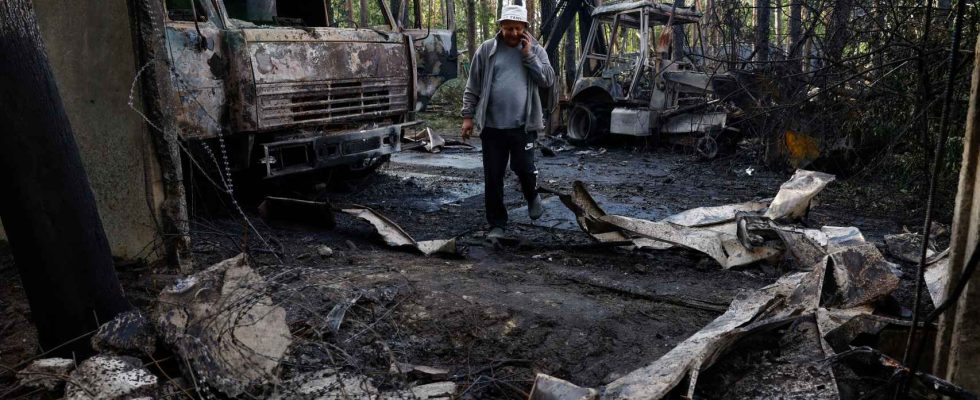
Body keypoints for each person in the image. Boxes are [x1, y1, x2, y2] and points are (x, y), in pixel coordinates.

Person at [460, 3, 555, 239]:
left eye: (517, 28)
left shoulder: (536, 50)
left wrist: (528, 56)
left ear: (524, 27)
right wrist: (467, 117)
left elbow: (548, 80)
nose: (513, 33)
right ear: (500, 27)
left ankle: (532, 195)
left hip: (523, 126)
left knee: (524, 168)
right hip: (492, 126)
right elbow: (473, 85)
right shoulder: (486, 50)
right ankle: (497, 224)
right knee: (493, 177)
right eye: (508, 28)